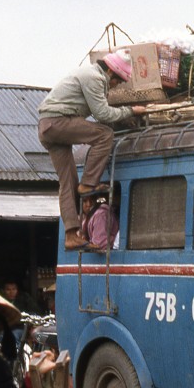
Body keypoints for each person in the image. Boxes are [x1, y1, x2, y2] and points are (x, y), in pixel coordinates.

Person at [38, 52, 148, 251]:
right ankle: (88, 183)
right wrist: (131, 111)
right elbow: (103, 113)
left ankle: (71, 235)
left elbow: (101, 112)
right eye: (117, 81)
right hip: (58, 122)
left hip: (47, 127)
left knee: (68, 182)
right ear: (110, 72)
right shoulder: (95, 77)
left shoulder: (89, 75)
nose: (115, 86)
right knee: (104, 134)